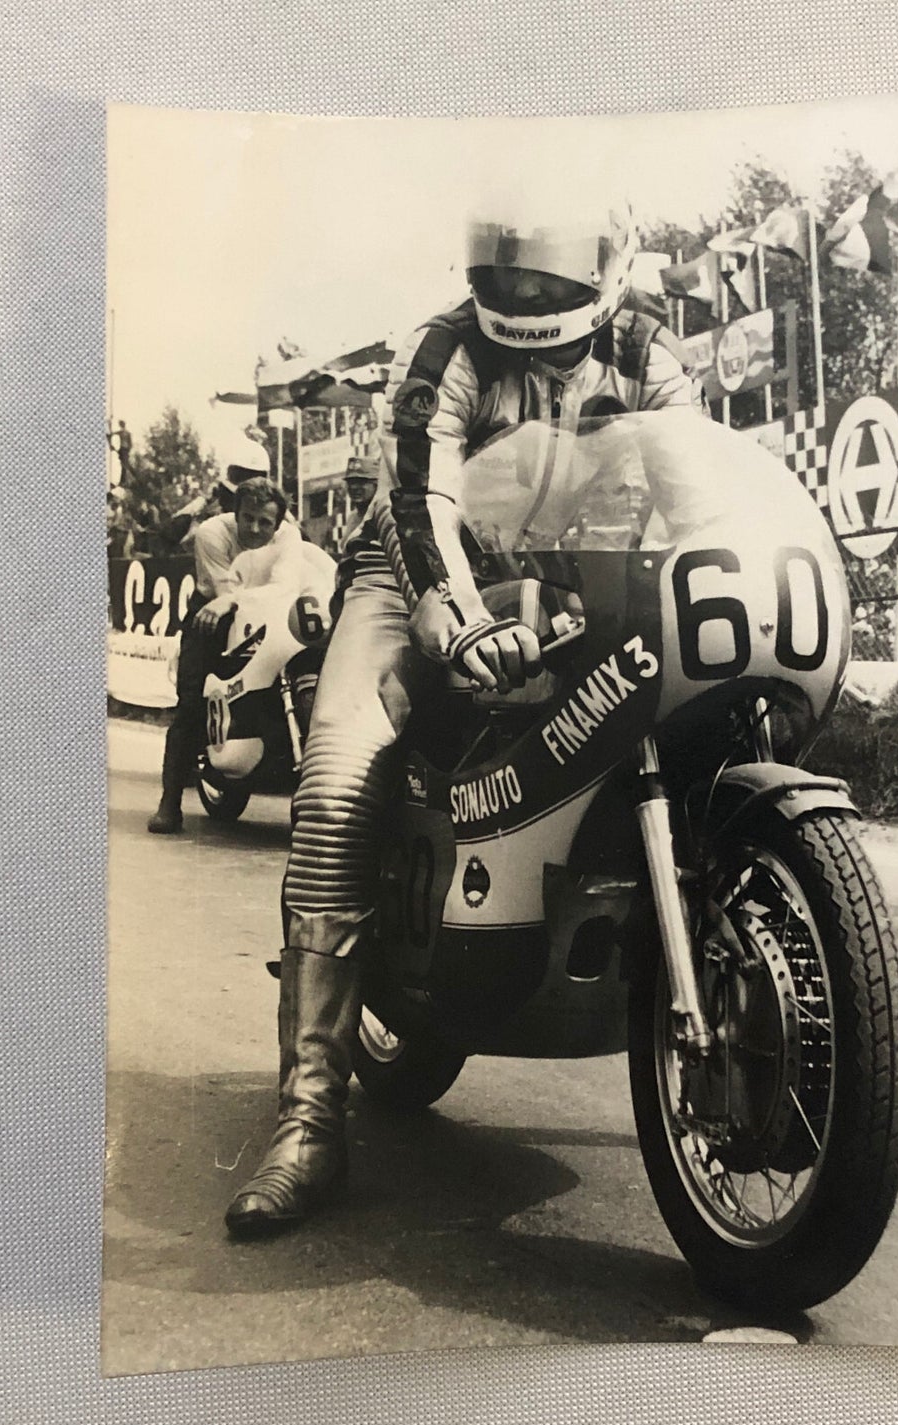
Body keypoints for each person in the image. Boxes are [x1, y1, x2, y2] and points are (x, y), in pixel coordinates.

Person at [225, 190, 697, 1238]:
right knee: (341, 765)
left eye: (549, 271)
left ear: (604, 260)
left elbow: (699, 485)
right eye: (507, 270)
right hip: (410, 578)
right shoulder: (441, 350)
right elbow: (417, 505)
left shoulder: (644, 352)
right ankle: (308, 1113)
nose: (526, 293)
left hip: (574, 570)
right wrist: (458, 617)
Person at [146, 475, 299, 834]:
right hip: (213, 614)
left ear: (278, 522)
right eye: (248, 518)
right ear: (236, 512)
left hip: (269, 612)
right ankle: (169, 803)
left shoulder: (289, 536)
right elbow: (223, 590)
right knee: (191, 704)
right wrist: (231, 600)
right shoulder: (211, 533)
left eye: (266, 522)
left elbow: (288, 582)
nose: (255, 528)